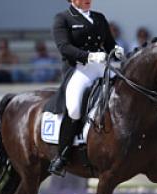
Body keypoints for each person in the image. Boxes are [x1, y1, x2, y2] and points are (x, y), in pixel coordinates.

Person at [48, 0, 124, 176]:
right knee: (74, 108)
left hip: (101, 66)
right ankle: (63, 155)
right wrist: (88, 56)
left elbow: (109, 44)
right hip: (79, 69)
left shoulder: (99, 18)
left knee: (125, 92)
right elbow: (64, 48)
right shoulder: (63, 19)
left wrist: (116, 50)